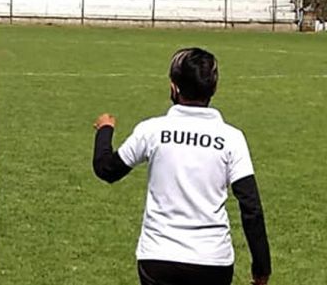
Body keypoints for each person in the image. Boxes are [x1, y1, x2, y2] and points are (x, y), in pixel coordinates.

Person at [92, 48, 271, 285]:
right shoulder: (232, 138)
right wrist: (261, 268)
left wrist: (105, 130)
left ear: (174, 87)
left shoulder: (152, 130)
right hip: (213, 262)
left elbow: (107, 169)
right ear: (214, 88)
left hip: (158, 257)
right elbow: (251, 207)